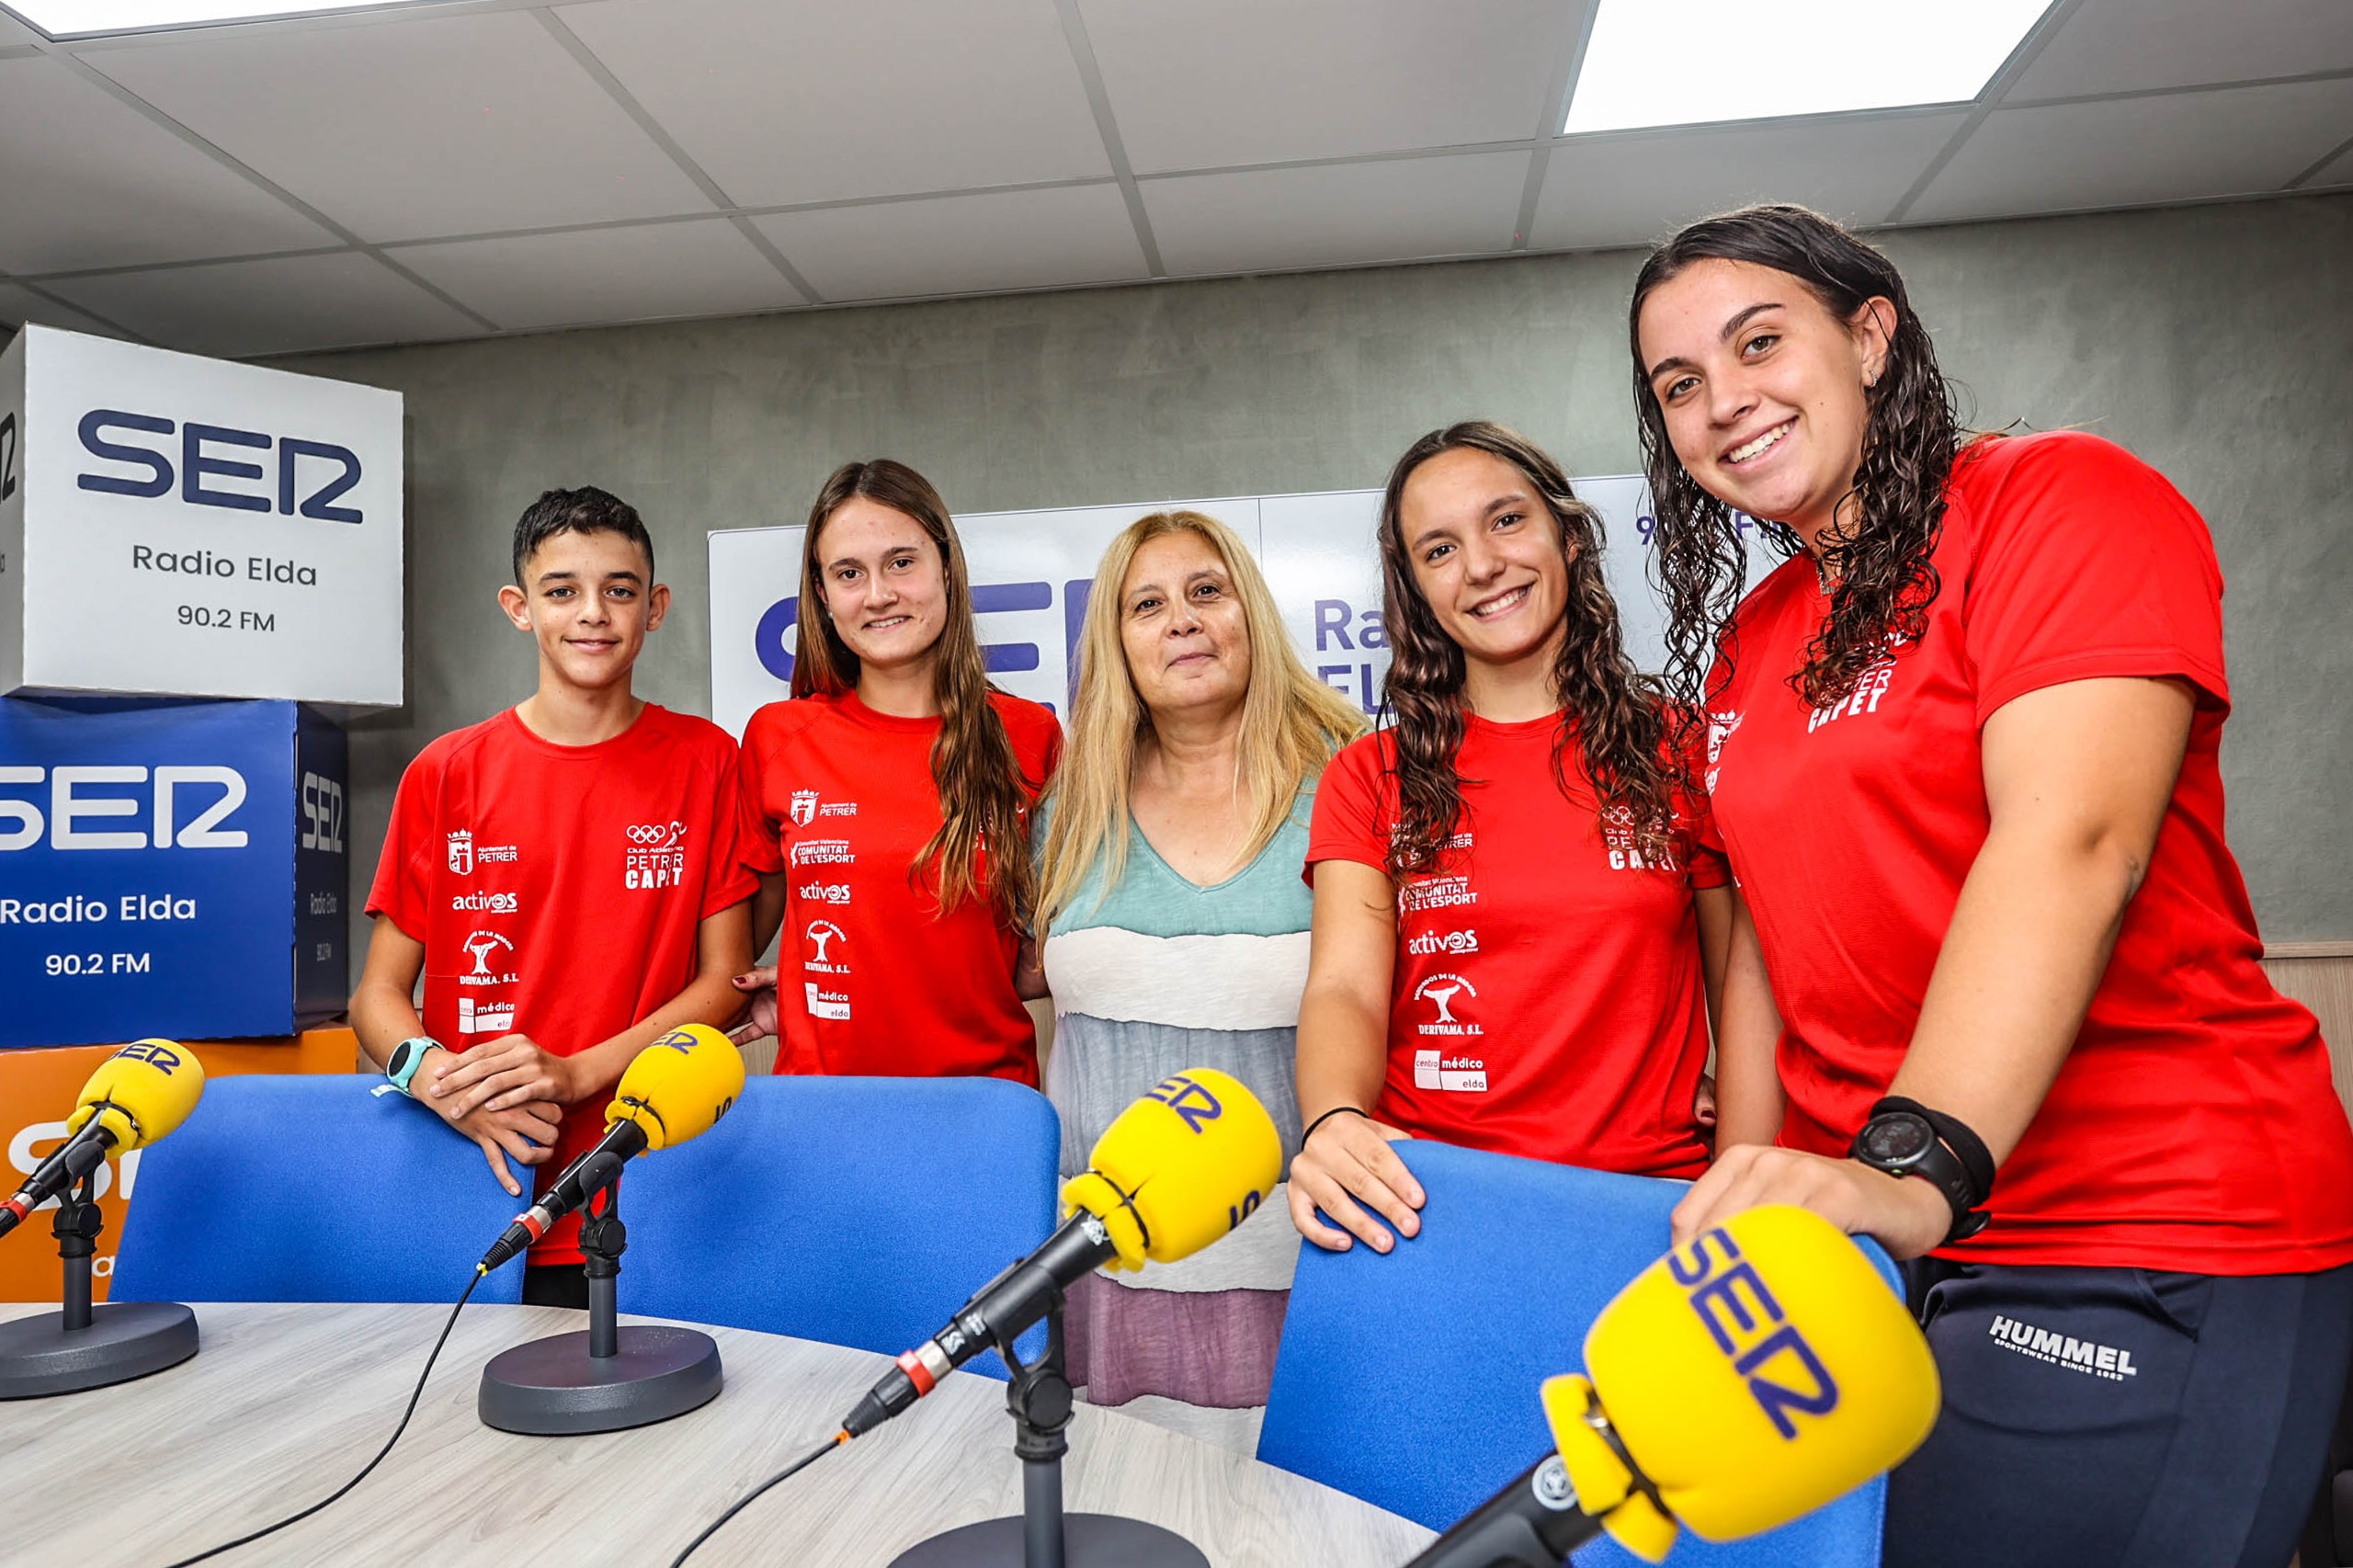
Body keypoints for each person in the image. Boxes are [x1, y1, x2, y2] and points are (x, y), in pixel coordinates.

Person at [1633, 204, 2353, 1568]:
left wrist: (1918, 1166)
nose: (1725, 403)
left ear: (1870, 335)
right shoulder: (1755, 640)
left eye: (1758, 342)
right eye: (1680, 386)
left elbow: (2075, 841)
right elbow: (1768, 950)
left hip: (2151, 1224)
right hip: (1896, 1247)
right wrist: (1758, 1192)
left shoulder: (2055, 500)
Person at [1290, 421, 1732, 1257]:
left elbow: (1744, 982)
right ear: (1414, 589)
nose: (1483, 566)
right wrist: (1337, 1121)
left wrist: (1743, 1159)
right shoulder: (1370, 776)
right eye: (1439, 550)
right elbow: (1344, 987)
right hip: (1428, 1204)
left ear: (1566, 536)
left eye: (1505, 521)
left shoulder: (1679, 748)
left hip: (1655, 1206)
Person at [351, 487, 756, 1309]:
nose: (593, 614)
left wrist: (577, 1074)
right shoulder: (445, 770)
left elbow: (726, 983)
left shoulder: (708, 761)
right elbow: (377, 997)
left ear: (656, 607)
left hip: (647, 1179)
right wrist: (438, 1081)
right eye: (562, 590)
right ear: (519, 607)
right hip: (474, 1177)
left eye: (620, 589)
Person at [1031, 509, 1363, 1452]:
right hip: (1105, 1279)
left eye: (1205, 591)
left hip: (1312, 1271)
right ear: (1115, 642)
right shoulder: (1069, 810)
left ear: (1249, 615)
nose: (1181, 619)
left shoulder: (1351, 781)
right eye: (1147, 603)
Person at [731, 460, 1061, 1082]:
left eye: (901, 562)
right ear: (823, 595)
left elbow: (1049, 957)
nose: (879, 594)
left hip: (984, 1111)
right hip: (822, 1112)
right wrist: (808, 983)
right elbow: (729, 952)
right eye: (849, 573)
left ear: (945, 565)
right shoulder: (778, 738)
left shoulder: (1029, 736)